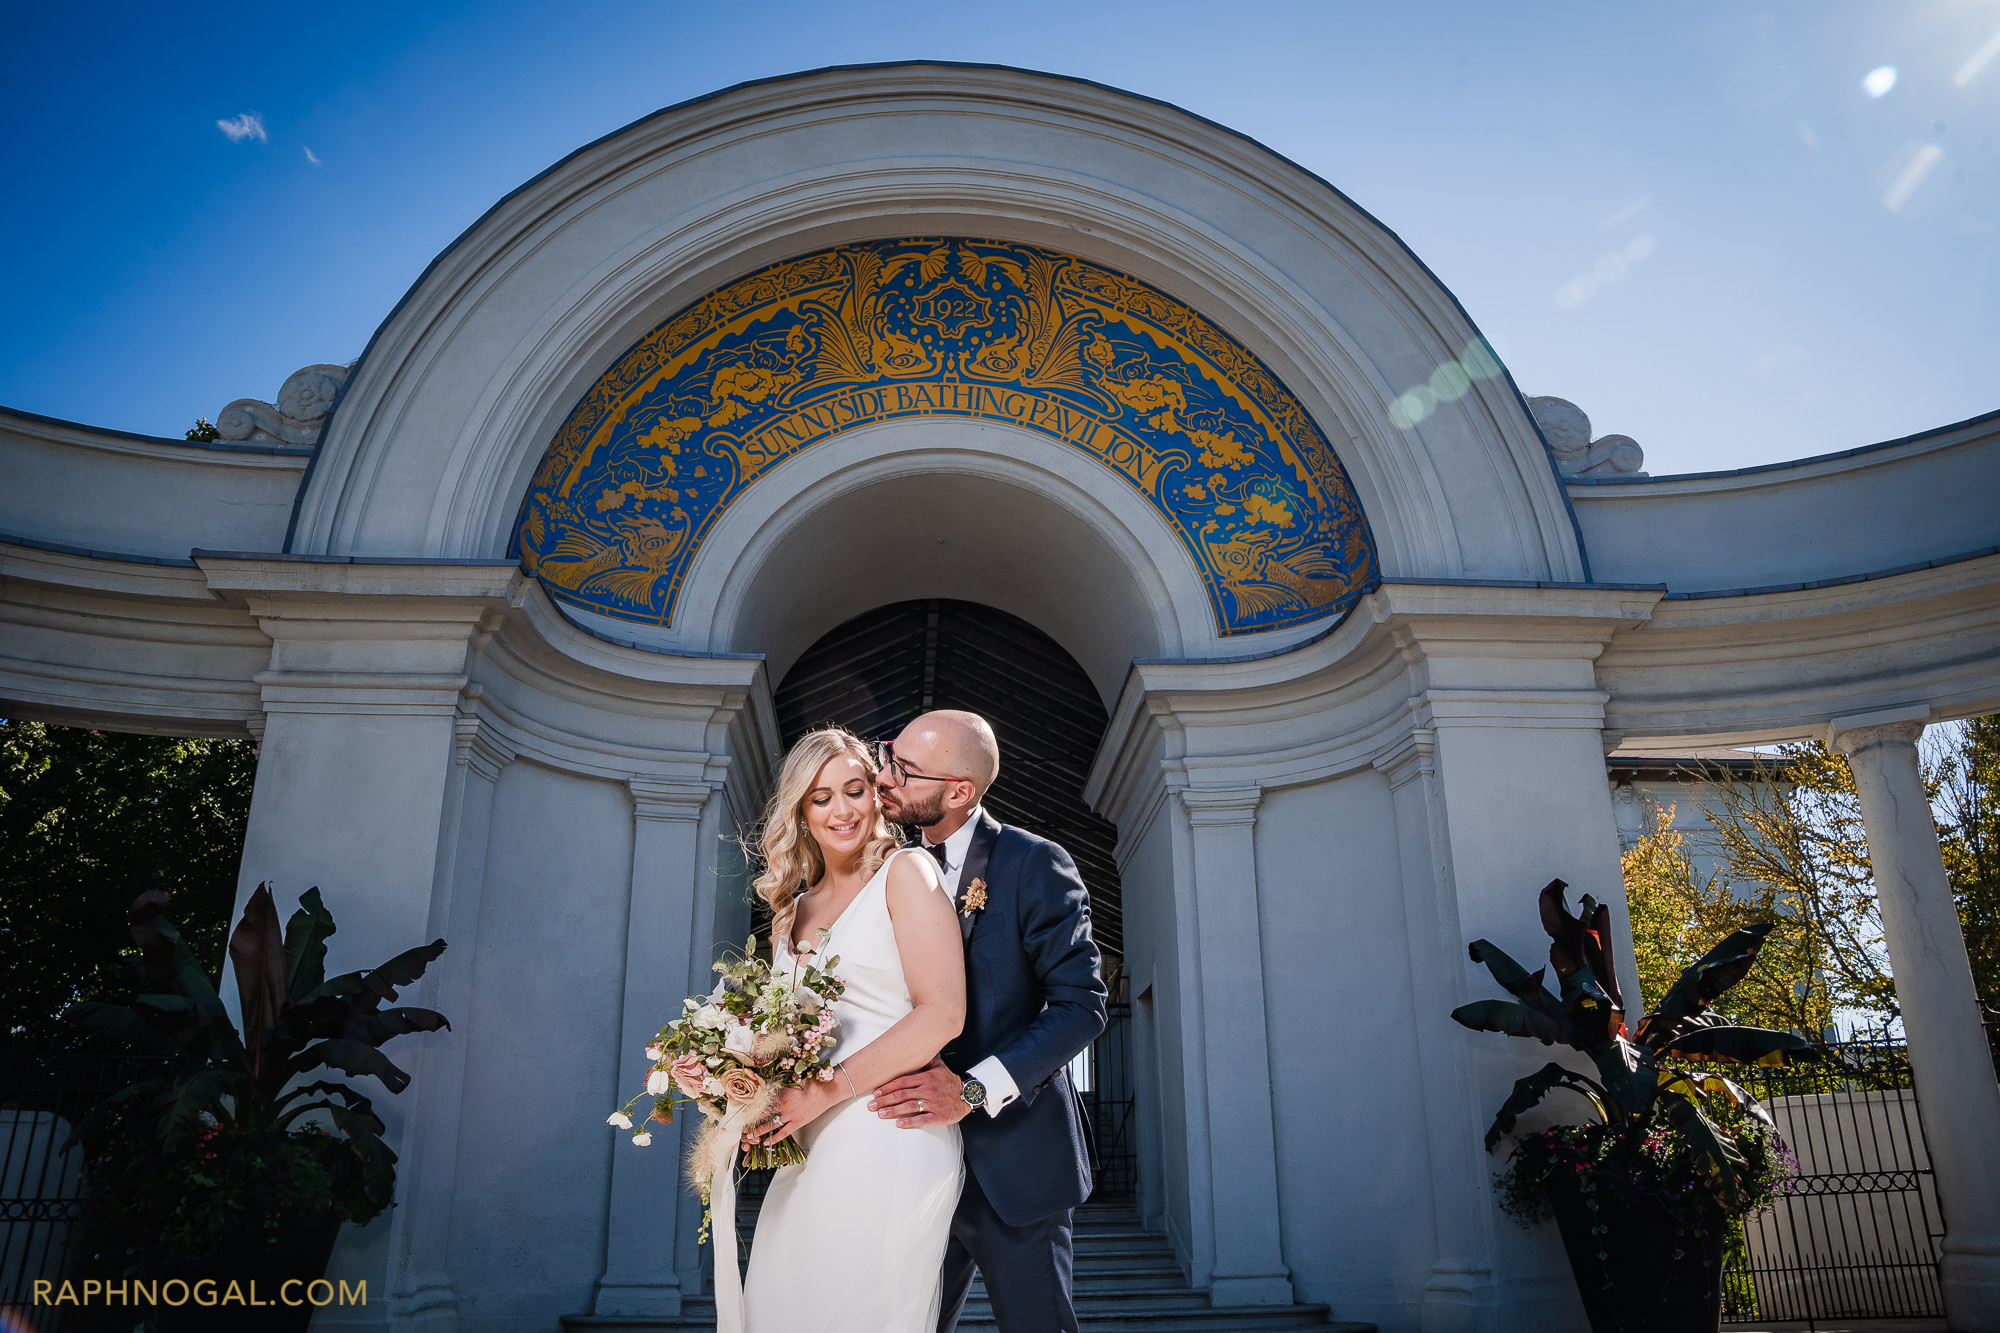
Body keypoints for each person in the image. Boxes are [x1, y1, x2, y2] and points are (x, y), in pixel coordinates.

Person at [866, 710, 1109, 1333]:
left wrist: (972, 1091)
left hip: (1015, 1164)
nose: (883, 777)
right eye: (890, 754)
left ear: (958, 793)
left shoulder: (1034, 864)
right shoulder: (880, 874)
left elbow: (1081, 1005)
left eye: (904, 770)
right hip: (905, 1161)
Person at [737, 727, 967, 1333]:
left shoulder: (907, 872)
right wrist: (733, 1086)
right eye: (820, 797)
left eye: (855, 789)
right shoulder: (792, 912)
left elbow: (942, 1014)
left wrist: (827, 1090)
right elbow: (783, 1035)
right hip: (808, 1142)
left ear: (875, 794)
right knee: (781, 1306)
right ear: (800, 811)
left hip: (887, 1128)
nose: (842, 810)